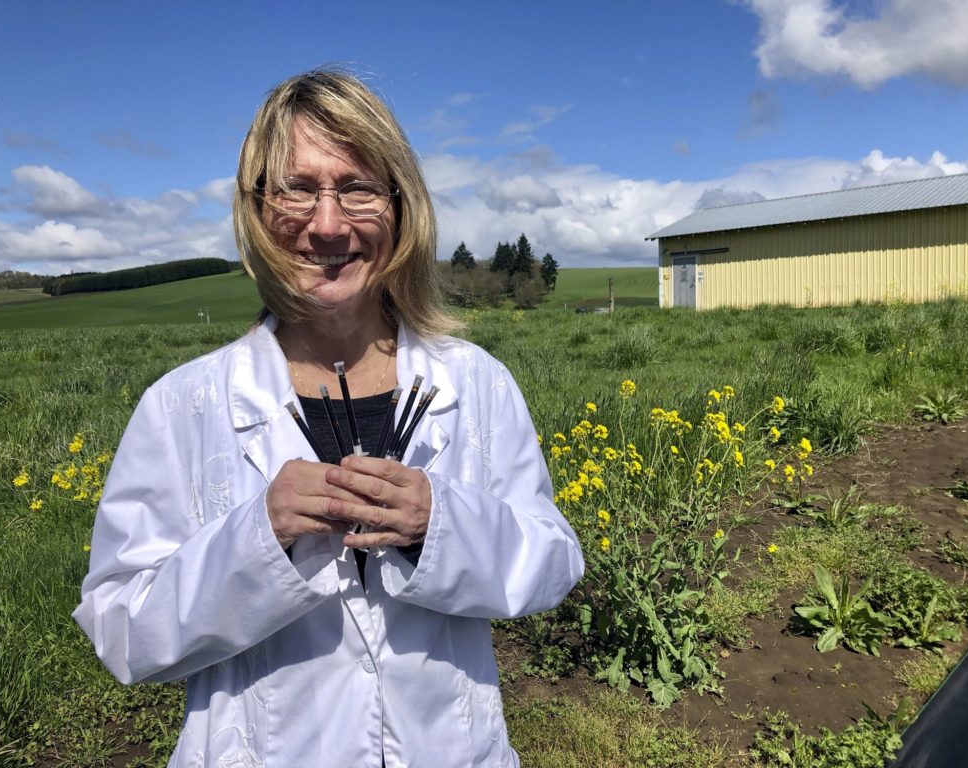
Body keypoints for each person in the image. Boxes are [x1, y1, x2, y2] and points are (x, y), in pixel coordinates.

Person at [72, 68, 584, 767]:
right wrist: (260, 537)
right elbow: (122, 634)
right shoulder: (183, 406)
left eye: (357, 188)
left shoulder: (477, 383)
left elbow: (552, 564)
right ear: (256, 208)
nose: (328, 223)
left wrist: (442, 523)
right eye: (297, 188)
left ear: (401, 206)